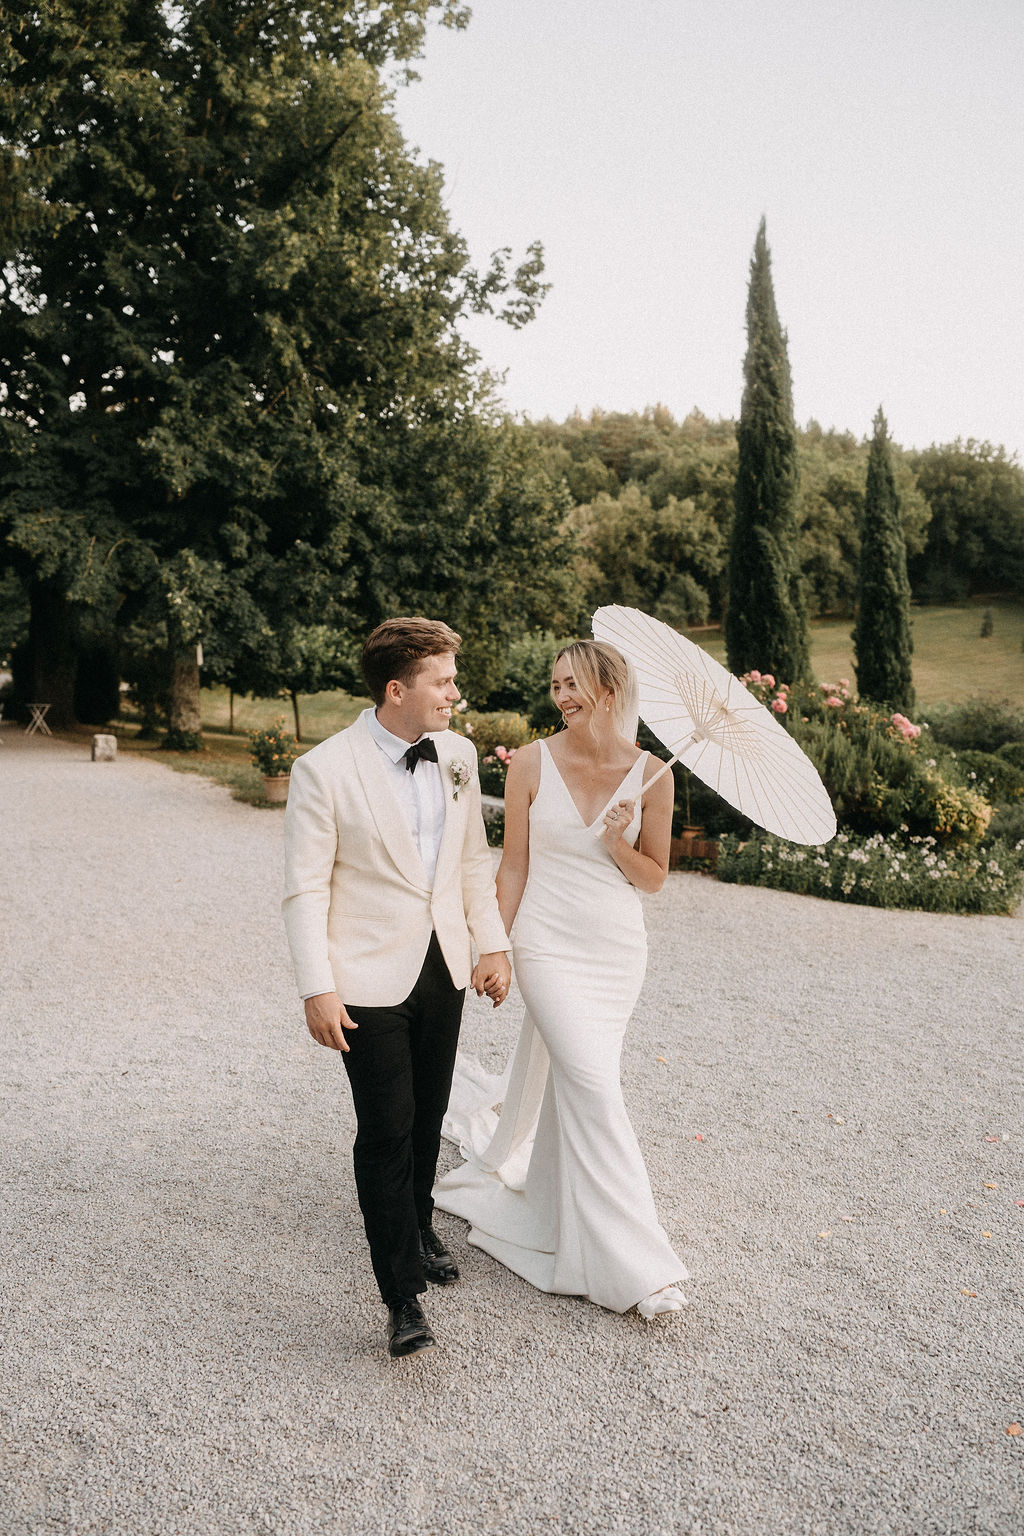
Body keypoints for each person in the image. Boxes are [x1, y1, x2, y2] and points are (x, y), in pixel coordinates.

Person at [435, 639, 689, 1319]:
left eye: (573, 684)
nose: (562, 697)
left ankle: (557, 1217)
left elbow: (655, 880)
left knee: (586, 1084)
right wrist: (493, 946)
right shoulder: (529, 763)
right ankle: (637, 1259)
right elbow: (512, 867)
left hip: (615, 952)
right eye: (556, 686)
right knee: (592, 1082)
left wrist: (616, 842)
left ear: (609, 689)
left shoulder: (655, 777)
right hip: (544, 944)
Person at [282, 617, 512, 1359]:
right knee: (386, 1126)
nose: (455, 692)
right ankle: (401, 1295)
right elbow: (304, 890)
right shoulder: (323, 769)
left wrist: (492, 945)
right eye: (443, 681)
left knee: (431, 1110)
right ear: (396, 689)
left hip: (443, 965)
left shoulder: (459, 756)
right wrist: (317, 987)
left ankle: (419, 1222)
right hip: (364, 978)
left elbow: (473, 861)